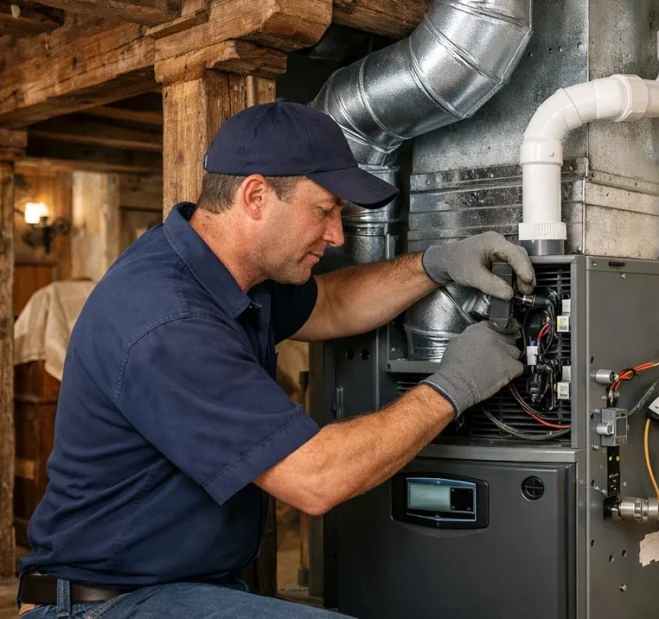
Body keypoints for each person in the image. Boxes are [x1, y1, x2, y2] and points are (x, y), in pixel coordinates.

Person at [16, 101, 534, 618]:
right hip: (102, 605)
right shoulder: (169, 320)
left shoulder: (224, 272)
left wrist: (436, 264)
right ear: (255, 196)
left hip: (180, 590)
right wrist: (455, 385)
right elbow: (315, 479)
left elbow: (331, 304)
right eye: (324, 210)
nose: (337, 235)